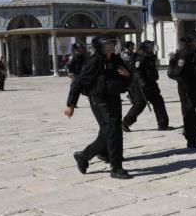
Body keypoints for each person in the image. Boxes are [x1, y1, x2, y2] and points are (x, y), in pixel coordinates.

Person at [64, 34, 133, 179]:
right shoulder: (94, 61)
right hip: (99, 99)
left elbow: (128, 76)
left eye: (113, 42)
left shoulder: (116, 59)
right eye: (109, 43)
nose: (112, 45)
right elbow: (78, 82)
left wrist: (127, 74)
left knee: (110, 130)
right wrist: (70, 104)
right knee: (112, 129)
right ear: (101, 46)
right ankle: (116, 167)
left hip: (114, 97)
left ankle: (84, 156)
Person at [172, 31, 196, 148]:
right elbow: (177, 73)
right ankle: (191, 140)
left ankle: (190, 132)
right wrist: (187, 87)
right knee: (189, 115)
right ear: (190, 42)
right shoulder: (183, 55)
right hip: (187, 90)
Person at [123, 40, 171, 132]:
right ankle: (125, 123)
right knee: (139, 106)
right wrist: (142, 83)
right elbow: (137, 72)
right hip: (141, 86)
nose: (152, 49)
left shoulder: (149, 57)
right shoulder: (140, 58)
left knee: (159, 103)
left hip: (151, 84)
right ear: (145, 48)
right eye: (151, 47)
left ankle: (163, 124)